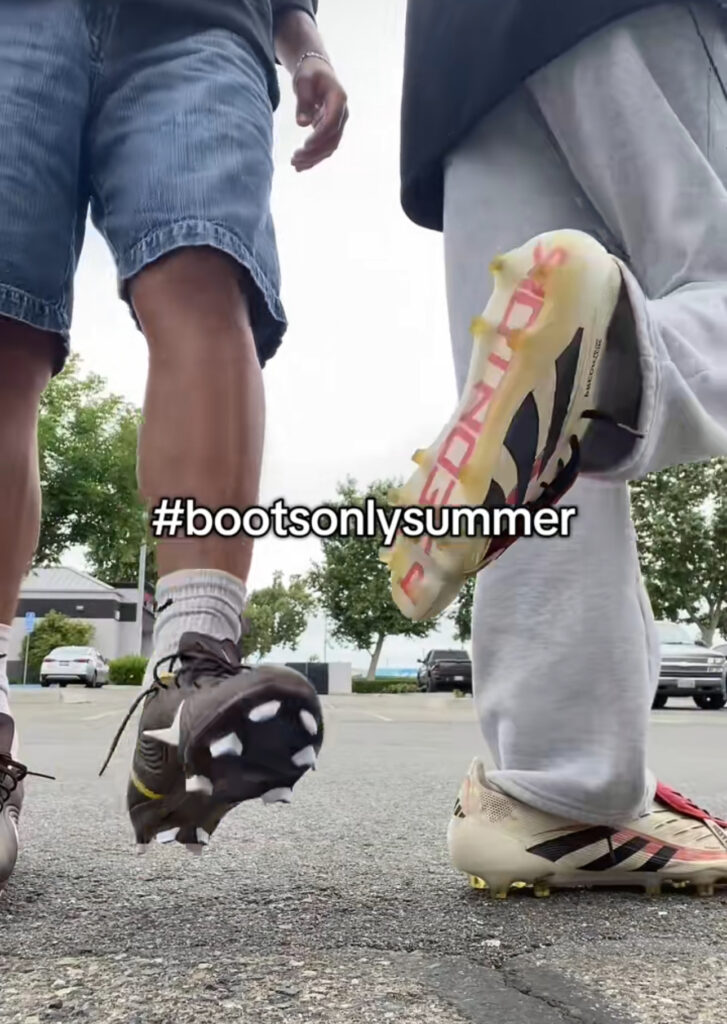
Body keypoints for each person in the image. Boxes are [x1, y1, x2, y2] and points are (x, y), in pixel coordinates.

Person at [0, 0, 348, 888]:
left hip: (205, 15)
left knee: (202, 266)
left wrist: (304, 41)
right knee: (4, 332)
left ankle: (193, 674)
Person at [385, 0, 727, 897]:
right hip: (627, 14)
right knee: (704, 284)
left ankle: (555, 790)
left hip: (460, 52)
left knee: (541, 446)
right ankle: (610, 355)